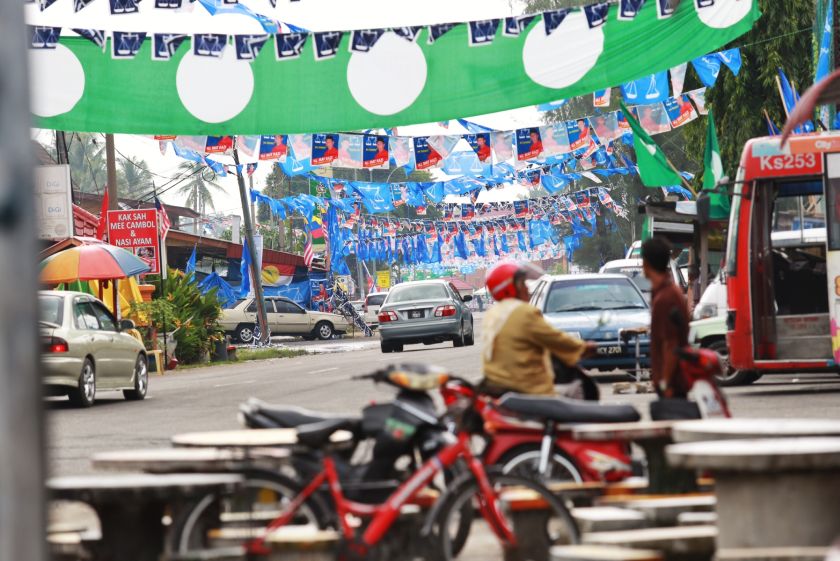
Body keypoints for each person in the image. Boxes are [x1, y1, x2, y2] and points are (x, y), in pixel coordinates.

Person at [481, 262, 596, 395]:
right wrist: (582, 347)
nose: (527, 289)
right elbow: (555, 338)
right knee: (576, 391)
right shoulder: (523, 311)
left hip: (496, 386)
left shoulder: (492, 313)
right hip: (526, 387)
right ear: (511, 288)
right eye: (522, 284)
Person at [641, 237, 691, 399]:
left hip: (672, 384)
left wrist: (665, 383)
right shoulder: (667, 292)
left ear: (646, 264)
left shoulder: (666, 298)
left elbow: (671, 344)